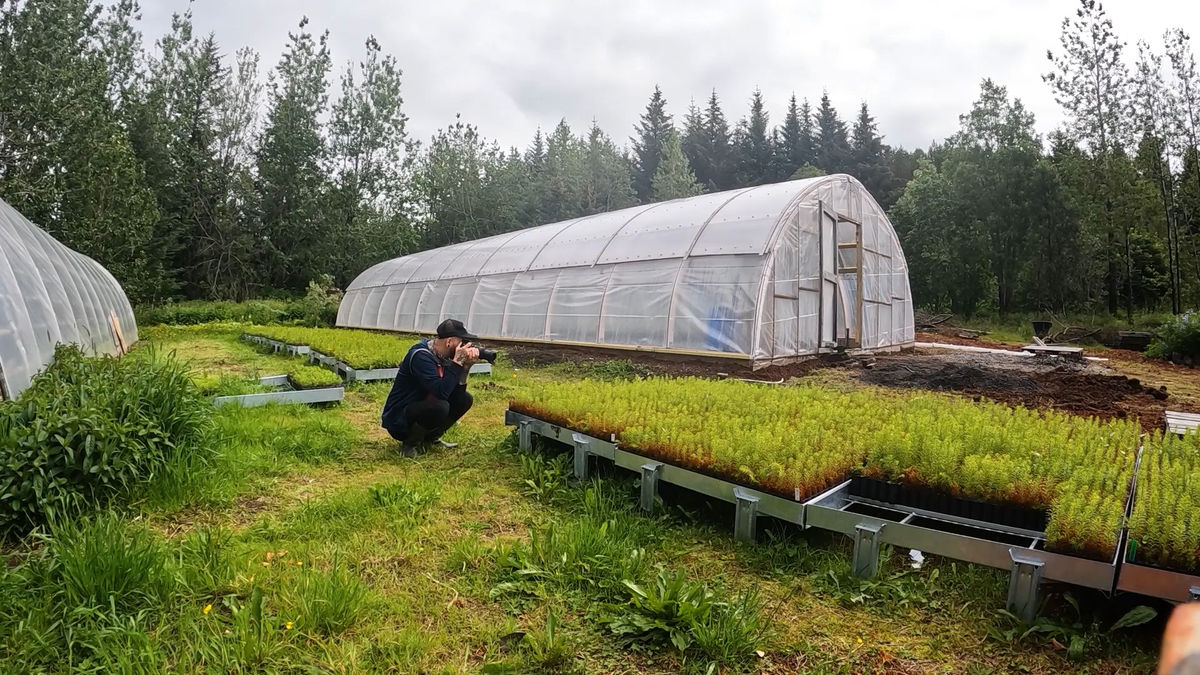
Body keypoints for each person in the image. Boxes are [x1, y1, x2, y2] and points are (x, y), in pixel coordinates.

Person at [381, 318, 479, 457]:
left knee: (465, 399)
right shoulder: (420, 356)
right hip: (400, 418)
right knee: (440, 406)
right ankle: (410, 444)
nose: (464, 346)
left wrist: (466, 367)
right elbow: (441, 392)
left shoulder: (443, 356)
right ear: (449, 342)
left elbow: (456, 395)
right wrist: (457, 362)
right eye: (461, 342)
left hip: (423, 406)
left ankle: (431, 439)